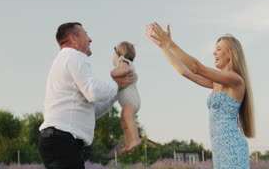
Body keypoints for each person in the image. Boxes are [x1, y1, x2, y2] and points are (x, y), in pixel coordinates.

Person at [145, 22, 255, 169]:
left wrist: (170, 43)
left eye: (219, 49)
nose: (214, 53)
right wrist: (163, 47)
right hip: (219, 148)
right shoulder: (217, 83)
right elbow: (186, 72)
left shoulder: (235, 80)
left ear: (231, 53)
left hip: (232, 147)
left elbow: (196, 67)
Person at [38, 22, 135, 169]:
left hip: (57, 141)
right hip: (63, 141)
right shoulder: (74, 55)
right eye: (86, 35)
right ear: (73, 39)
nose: (90, 40)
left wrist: (118, 90)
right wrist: (116, 84)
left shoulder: (64, 60)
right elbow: (93, 92)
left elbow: (91, 110)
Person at [110, 41, 141, 153]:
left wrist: (112, 73)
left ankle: (135, 139)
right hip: (130, 101)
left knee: (127, 117)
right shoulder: (125, 62)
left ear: (119, 54)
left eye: (113, 54)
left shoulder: (123, 61)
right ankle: (129, 144)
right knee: (124, 120)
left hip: (131, 100)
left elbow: (125, 70)